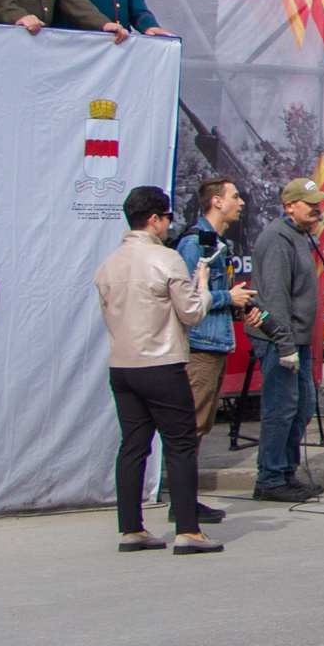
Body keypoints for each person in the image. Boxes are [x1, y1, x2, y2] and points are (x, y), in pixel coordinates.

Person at [96, 185, 222, 552]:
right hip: (162, 363)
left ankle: (131, 529)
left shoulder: (109, 263)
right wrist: (206, 289)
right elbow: (192, 313)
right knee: (181, 445)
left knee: (133, 446)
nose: (169, 224)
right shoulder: (166, 259)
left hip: (122, 365)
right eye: (167, 218)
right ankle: (188, 530)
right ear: (153, 220)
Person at [175, 178, 262, 501]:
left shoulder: (216, 243)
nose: (241, 203)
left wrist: (239, 309)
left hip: (213, 345)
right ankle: (183, 504)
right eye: (235, 196)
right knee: (191, 427)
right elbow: (184, 297)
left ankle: (188, 501)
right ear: (216, 202)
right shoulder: (195, 243)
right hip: (199, 347)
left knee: (202, 425)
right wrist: (229, 297)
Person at [250, 177, 324, 502]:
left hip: (296, 339)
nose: (317, 209)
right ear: (289, 207)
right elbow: (274, 299)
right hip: (280, 340)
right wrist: (284, 345)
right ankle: (270, 479)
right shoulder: (277, 239)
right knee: (281, 409)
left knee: (302, 406)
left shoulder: (298, 234)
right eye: (310, 204)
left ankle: (286, 473)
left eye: (318, 203)